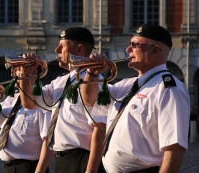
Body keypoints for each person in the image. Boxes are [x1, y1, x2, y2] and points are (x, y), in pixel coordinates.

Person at [80, 24, 190, 173]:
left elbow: (174, 148)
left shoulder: (169, 88)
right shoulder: (126, 85)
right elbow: (90, 100)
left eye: (134, 45)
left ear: (155, 50)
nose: (128, 49)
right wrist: (92, 73)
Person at [20, 27, 107, 173]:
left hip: (82, 158)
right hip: (61, 159)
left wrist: (90, 170)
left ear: (79, 50)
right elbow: (29, 103)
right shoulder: (60, 81)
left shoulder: (95, 80)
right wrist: (26, 73)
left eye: (63, 45)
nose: (57, 50)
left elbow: (99, 128)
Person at [0, 70, 51, 173]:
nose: (12, 74)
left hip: (30, 167)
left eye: (17, 69)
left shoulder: (44, 98)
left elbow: (48, 140)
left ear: (32, 70)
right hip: (9, 167)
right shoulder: (11, 98)